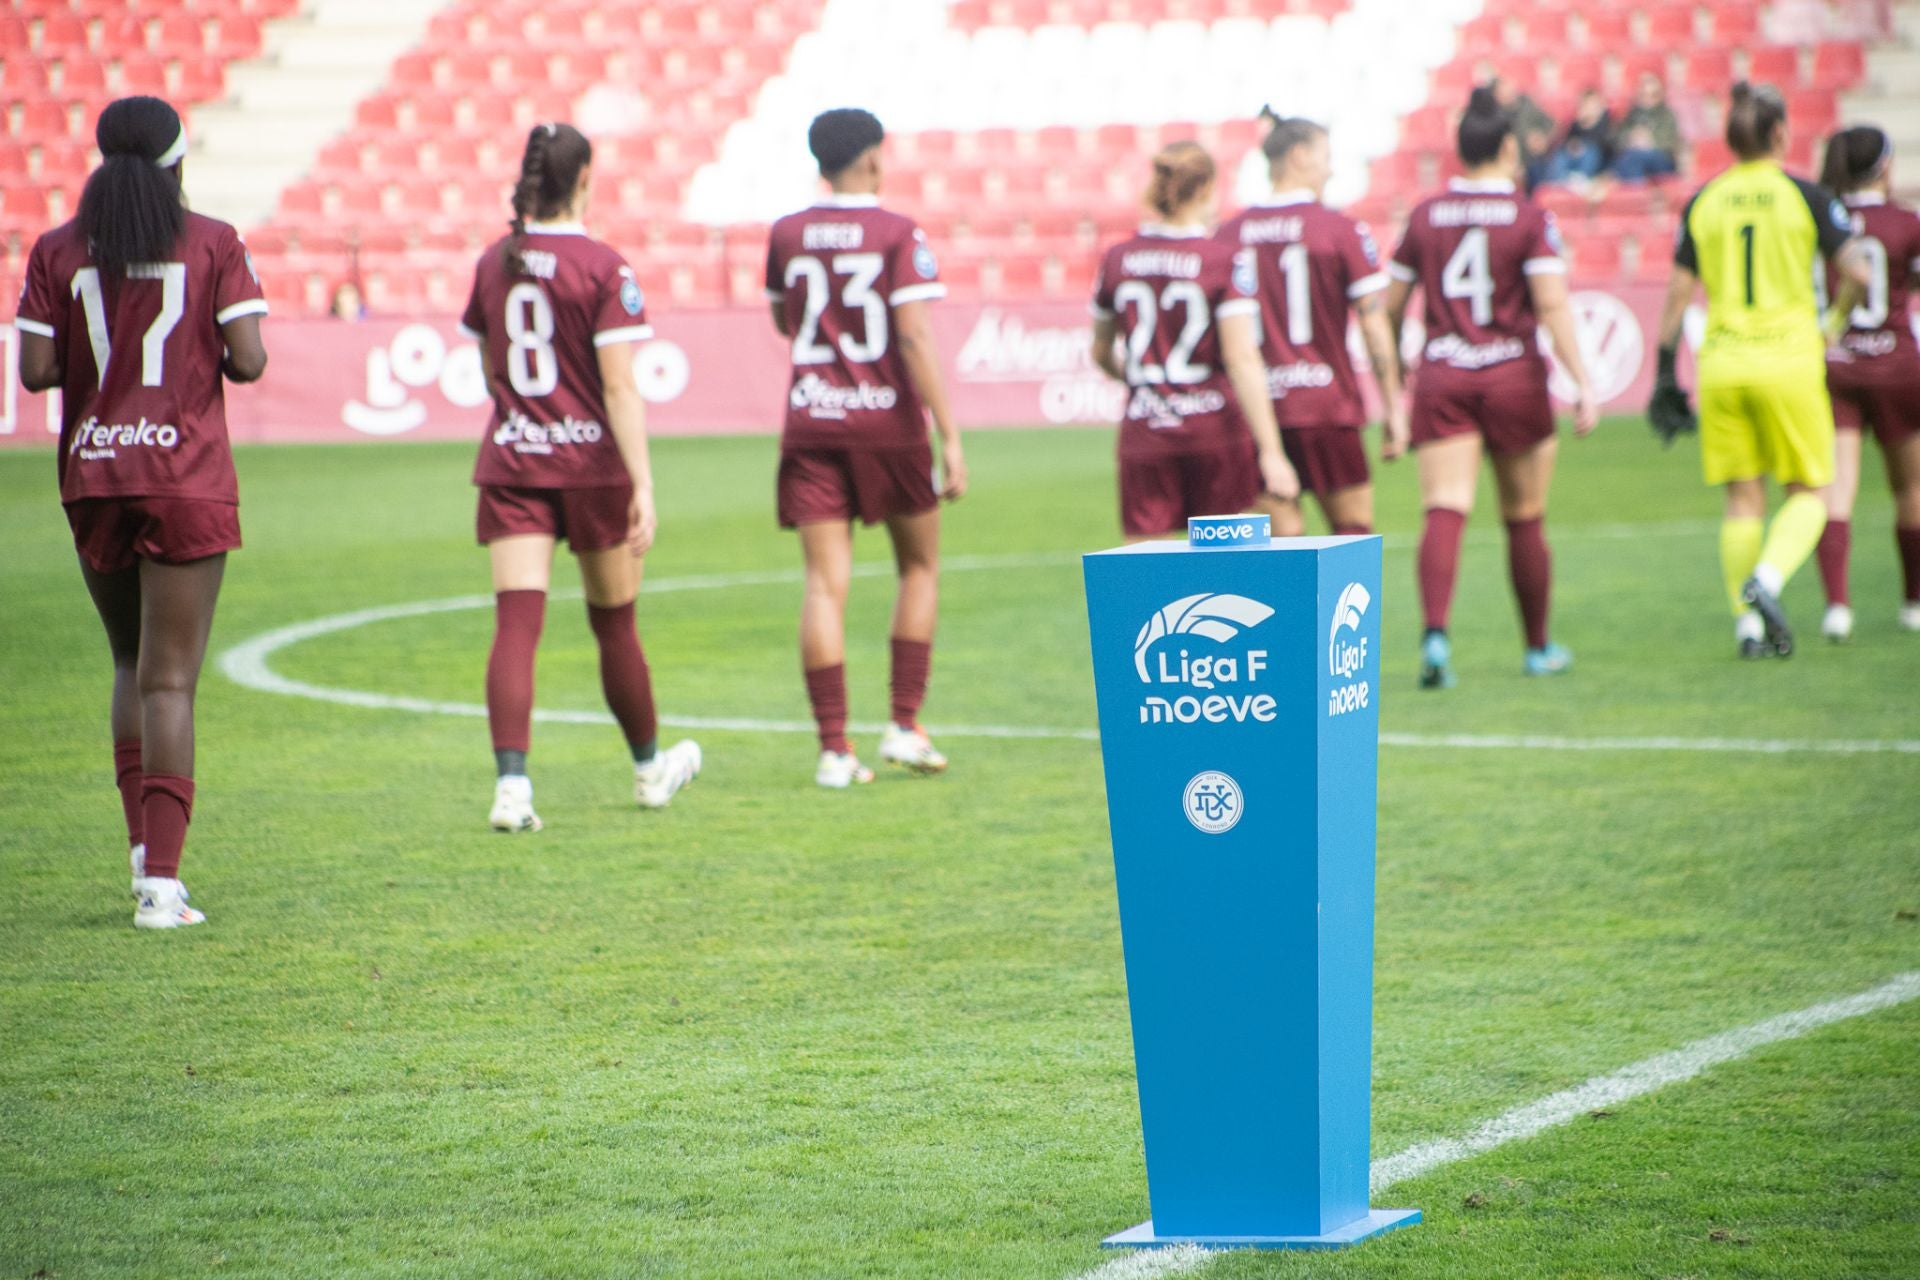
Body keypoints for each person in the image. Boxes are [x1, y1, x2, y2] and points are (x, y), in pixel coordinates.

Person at [12, 96, 268, 928]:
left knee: (129, 665)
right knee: (171, 679)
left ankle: (139, 852)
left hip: (94, 474)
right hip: (183, 471)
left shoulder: (57, 249)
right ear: (179, 163)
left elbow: (38, 371)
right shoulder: (214, 242)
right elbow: (251, 360)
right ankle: (162, 884)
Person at [461, 122, 701, 831]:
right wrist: (645, 486)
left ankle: (512, 788)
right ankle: (650, 770)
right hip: (593, 467)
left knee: (516, 624)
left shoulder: (492, 262)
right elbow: (622, 390)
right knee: (616, 625)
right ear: (586, 179)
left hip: (515, 459)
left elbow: (489, 370)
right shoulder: (604, 267)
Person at [764, 108, 966, 788]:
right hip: (889, 426)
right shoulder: (898, 233)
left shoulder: (787, 234)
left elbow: (784, 320)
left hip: (813, 419)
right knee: (920, 568)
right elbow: (912, 336)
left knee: (824, 584)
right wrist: (950, 431)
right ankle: (904, 727)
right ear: (874, 159)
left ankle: (832, 750)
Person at [1385, 87, 1601, 688]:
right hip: (1513, 377)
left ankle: (1435, 637)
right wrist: (1582, 381)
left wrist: (1398, 366)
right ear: (1508, 147)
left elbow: (1390, 305)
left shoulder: (1425, 215)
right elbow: (1552, 305)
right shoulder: (1531, 218)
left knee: (1445, 507)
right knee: (1525, 516)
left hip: (1444, 374)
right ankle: (1536, 648)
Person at [1649, 84, 1870, 657]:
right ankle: (1767, 581)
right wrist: (1835, 322)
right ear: (1779, 134)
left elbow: (1677, 293)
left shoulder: (1705, 200)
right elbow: (1861, 273)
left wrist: (1664, 369)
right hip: (1789, 360)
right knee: (1812, 492)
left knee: (1742, 500)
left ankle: (1747, 628)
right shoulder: (1807, 197)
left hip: (1723, 363)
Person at [1090, 140, 1301, 545]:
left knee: (1148, 570)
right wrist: (1272, 452)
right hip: (1214, 434)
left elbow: (1100, 352)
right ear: (1205, 189)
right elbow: (1241, 358)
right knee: (1222, 567)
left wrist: (1145, 386)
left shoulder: (1117, 259)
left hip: (1146, 430)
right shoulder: (1223, 260)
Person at [1217, 113, 1406, 536]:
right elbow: (1374, 325)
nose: (1331, 169)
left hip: (1257, 411)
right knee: (1352, 539)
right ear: (1299, 157)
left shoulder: (1227, 235)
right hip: (1327, 408)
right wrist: (1393, 406)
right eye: (1326, 157)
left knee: (1280, 558)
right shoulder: (1341, 230)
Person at [1813, 124, 1920, 638]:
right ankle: (1913, 603)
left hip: (1838, 364)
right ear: (1883, 165)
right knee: (1911, 486)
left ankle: (1838, 606)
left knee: (1837, 488)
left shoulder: (1824, 219)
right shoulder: (1904, 221)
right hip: (1897, 364)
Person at [1612, 73, 1683, 183]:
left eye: (1653, 95)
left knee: (1632, 159)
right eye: (1644, 94)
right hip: (1634, 155)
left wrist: (1649, 140)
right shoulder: (1632, 114)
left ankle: (1636, 194)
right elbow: (1619, 138)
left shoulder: (1666, 115)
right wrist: (1630, 138)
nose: (1648, 99)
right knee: (1628, 158)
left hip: (1661, 159)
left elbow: (1670, 142)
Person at [1489, 75, 1556, 190]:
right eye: (1503, 90)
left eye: (1509, 88)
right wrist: (1514, 166)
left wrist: (1542, 139)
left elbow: (1551, 125)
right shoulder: (1494, 116)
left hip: (1535, 161)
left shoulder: (1527, 104)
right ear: (1496, 95)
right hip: (1508, 165)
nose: (1509, 92)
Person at [1541, 90, 1614, 188]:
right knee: (1561, 153)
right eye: (1586, 105)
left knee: (1590, 151)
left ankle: (1581, 179)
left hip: (1596, 162)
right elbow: (1567, 139)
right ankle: (1557, 180)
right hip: (1574, 157)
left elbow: (1604, 145)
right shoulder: (1576, 124)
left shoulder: (1606, 122)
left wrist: (1587, 128)